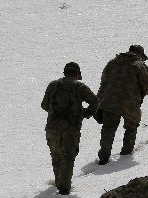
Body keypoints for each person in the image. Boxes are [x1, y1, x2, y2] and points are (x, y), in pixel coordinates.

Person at [41, 62, 99, 195]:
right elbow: (95, 102)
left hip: (52, 127)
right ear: (77, 73)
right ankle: (64, 190)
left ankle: (59, 184)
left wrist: (55, 113)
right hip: (71, 128)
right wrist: (85, 114)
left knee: (56, 156)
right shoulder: (80, 87)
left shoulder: (53, 85)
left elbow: (44, 105)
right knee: (68, 157)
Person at [96, 45, 148, 164]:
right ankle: (126, 155)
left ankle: (104, 157)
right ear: (139, 54)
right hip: (130, 103)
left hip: (110, 102)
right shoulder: (139, 65)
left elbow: (104, 82)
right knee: (131, 128)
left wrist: (100, 102)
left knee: (108, 129)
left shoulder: (112, 63)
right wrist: (140, 94)